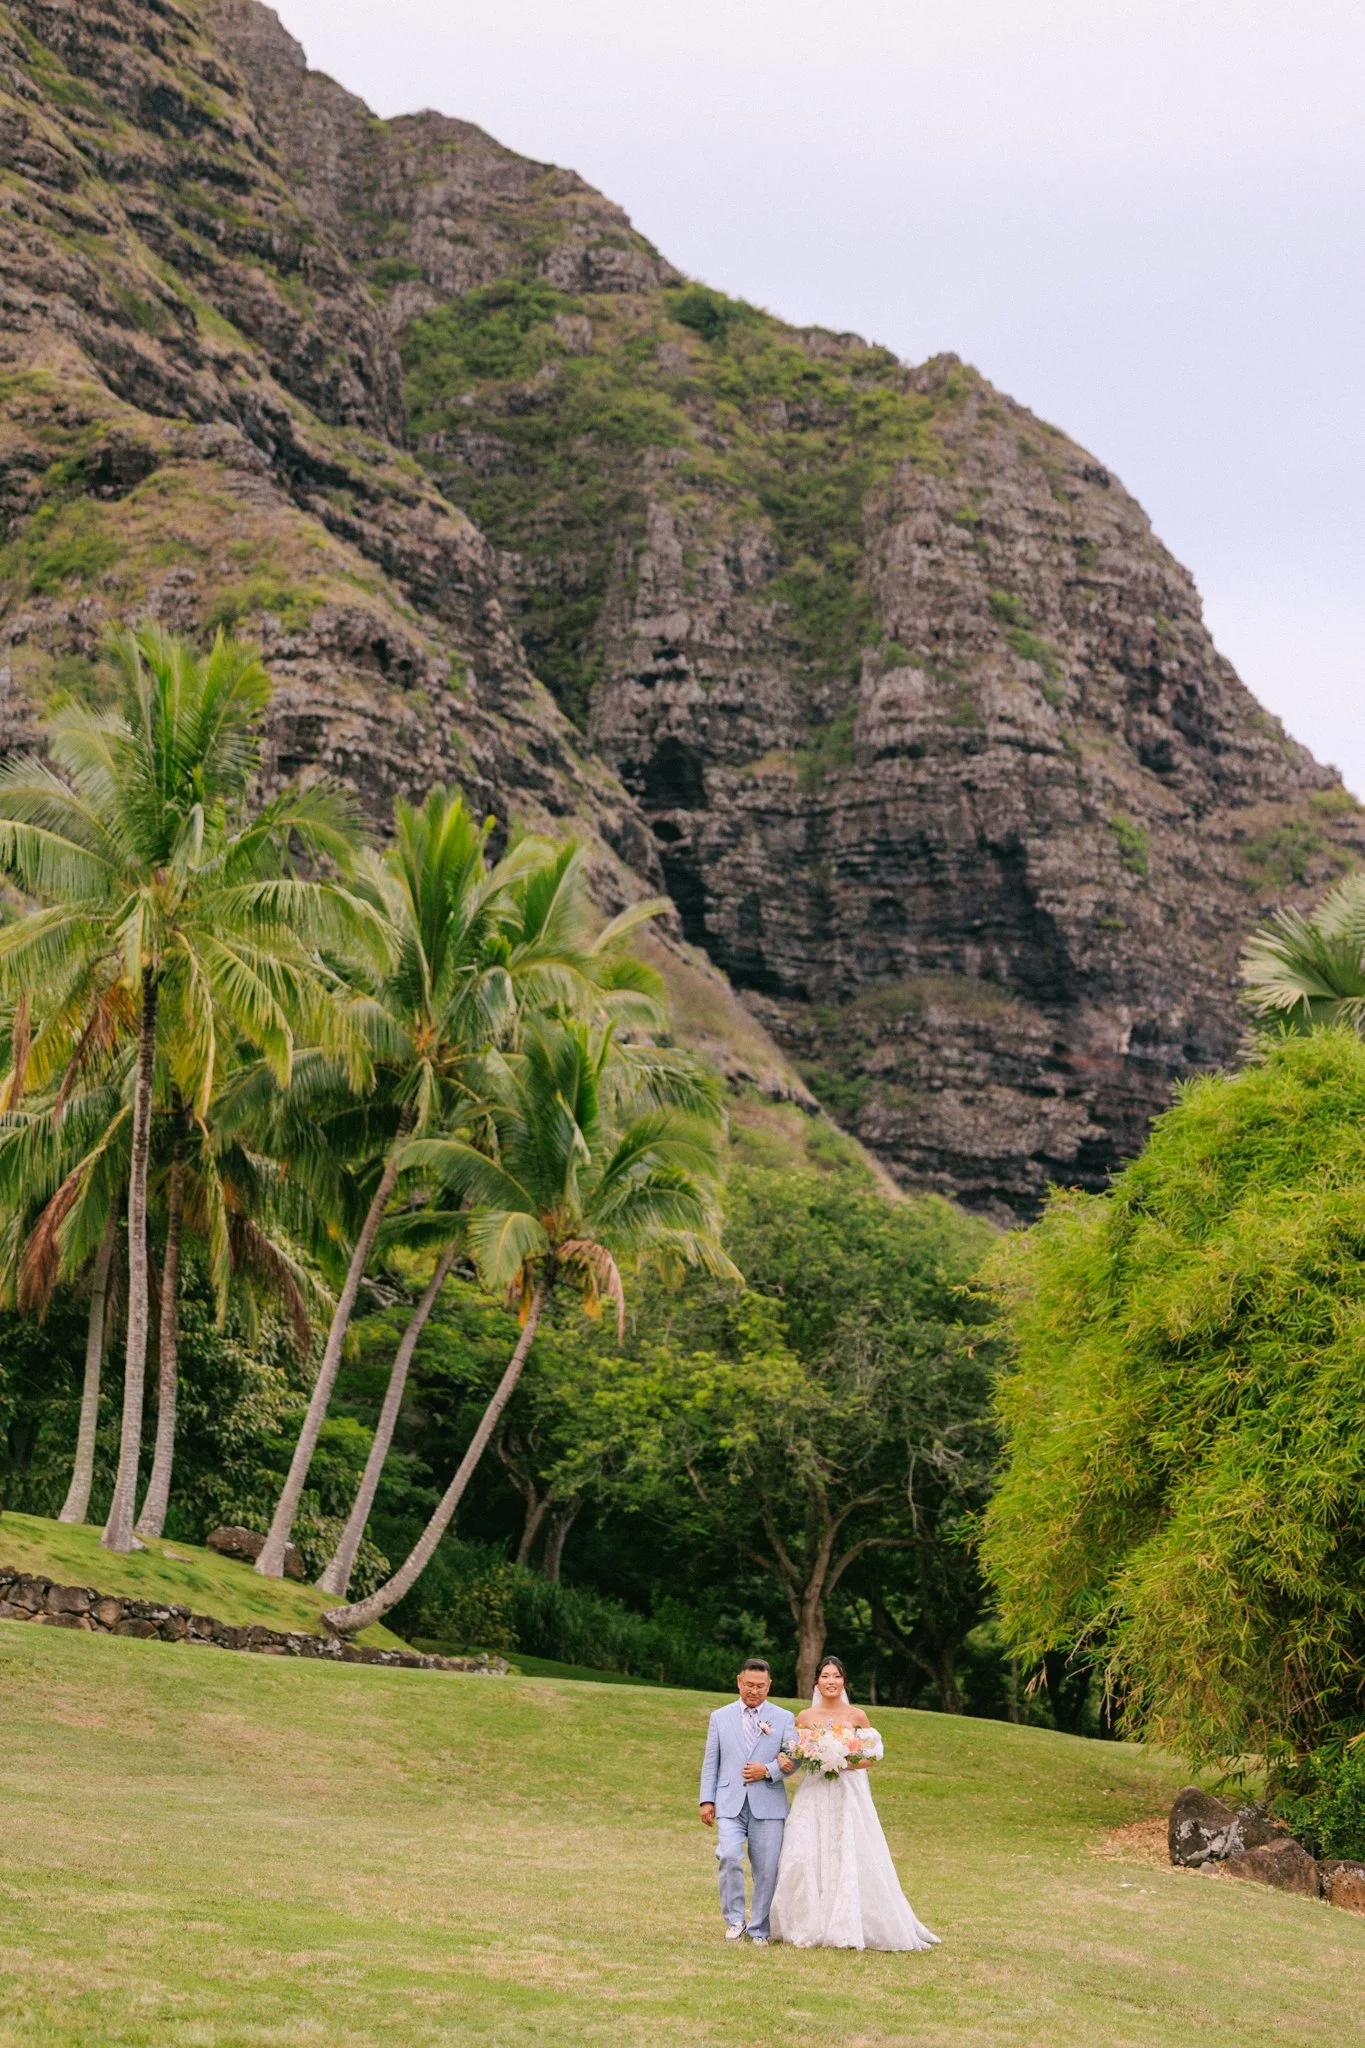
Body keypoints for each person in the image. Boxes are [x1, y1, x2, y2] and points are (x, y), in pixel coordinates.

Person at [769, 1654, 940, 1952]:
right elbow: (795, 1754)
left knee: (849, 1847)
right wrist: (809, 1756)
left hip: (848, 1790)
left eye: (836, 1676)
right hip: (815, 1791)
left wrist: (841, 1759)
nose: (831, 1681)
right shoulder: (805, 1717)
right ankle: (806, 1921)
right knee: (806, 1850)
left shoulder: (857, 1716)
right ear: (816, 1682)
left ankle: (850, 1922)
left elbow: (871, 1757)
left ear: (843, 1681)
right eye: (825, 1676)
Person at [698, 1659, 798, 1944]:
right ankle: (734, 1920)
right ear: (739, 1682)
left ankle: (759, 1929)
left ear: (769, 1686)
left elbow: (795, 1759)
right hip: (729, 1801)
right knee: (728, 1855)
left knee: (766, 1868)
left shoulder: (783, 1718)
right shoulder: (720, 1717)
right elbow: (710, 1762)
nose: (754, 1691)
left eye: (760, 1686)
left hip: (768, 1804)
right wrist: (706, 1800)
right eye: (749, 1685)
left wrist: (768, 1770)